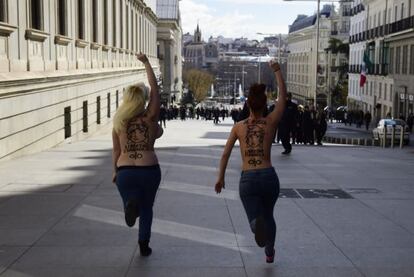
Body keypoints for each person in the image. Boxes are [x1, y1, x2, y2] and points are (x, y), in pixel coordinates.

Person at [215, 61, 287, 264]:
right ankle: (269, 251)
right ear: (265, 104)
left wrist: (220, 177)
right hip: (268, 176)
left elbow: (225, 154)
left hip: (248, 178)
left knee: (256, 217)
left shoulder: (238, 127)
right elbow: (282, 98)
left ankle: (257, 226)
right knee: (269, 215)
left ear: (247, 104)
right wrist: (277, 71)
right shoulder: (270, 122)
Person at [112, 53, 162, 257]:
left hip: (125, 170)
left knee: (132, 201)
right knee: (147, 208)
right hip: (149, 169)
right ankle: (144, 244)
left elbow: (116, 151)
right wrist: (146, 63)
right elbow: (156, 92)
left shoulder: (119, 122)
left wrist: (115, 172)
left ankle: (130, 203)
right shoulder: (149, 118)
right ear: (143, 101)